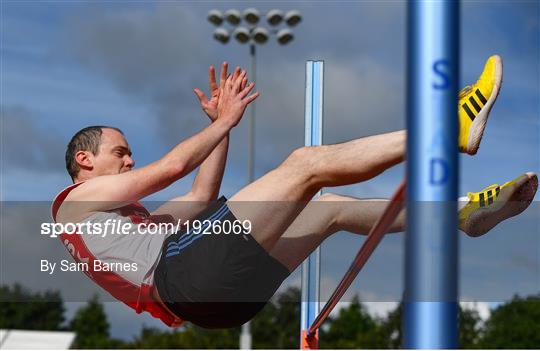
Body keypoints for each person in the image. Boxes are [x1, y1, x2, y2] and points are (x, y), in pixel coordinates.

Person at [52, 56, 537, 329]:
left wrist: (220, 130)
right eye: (121, 151)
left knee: (327, 211)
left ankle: (462, 213)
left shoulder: (121, 227)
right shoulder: (75, 203)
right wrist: (223, 121)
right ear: (85, 161)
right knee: (306, 165)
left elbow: (200, 199)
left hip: (211, 299)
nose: (130, 159)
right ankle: (445, 127)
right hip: (185, 276)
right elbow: (174, 167)